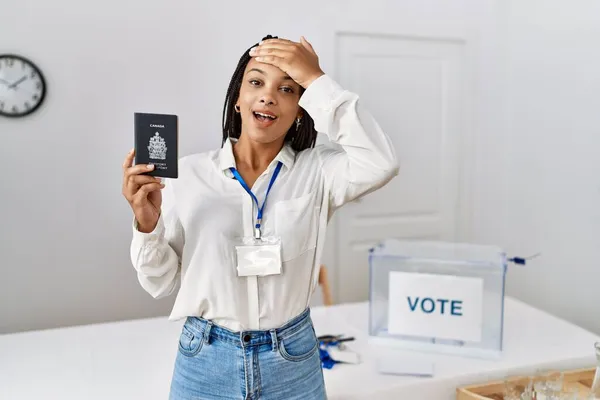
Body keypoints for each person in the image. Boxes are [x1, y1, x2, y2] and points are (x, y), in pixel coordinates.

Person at [122, 34, 399, 400]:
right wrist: (147, 224)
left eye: (287, 89)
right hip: (205, 359)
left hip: (292, 359)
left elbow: (382, 162)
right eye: (256, 82)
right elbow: (159, 284)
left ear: (302, 107)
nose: (268, 96)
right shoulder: (186, 176)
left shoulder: (319, 172)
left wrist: (315, 79)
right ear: (238, 99)